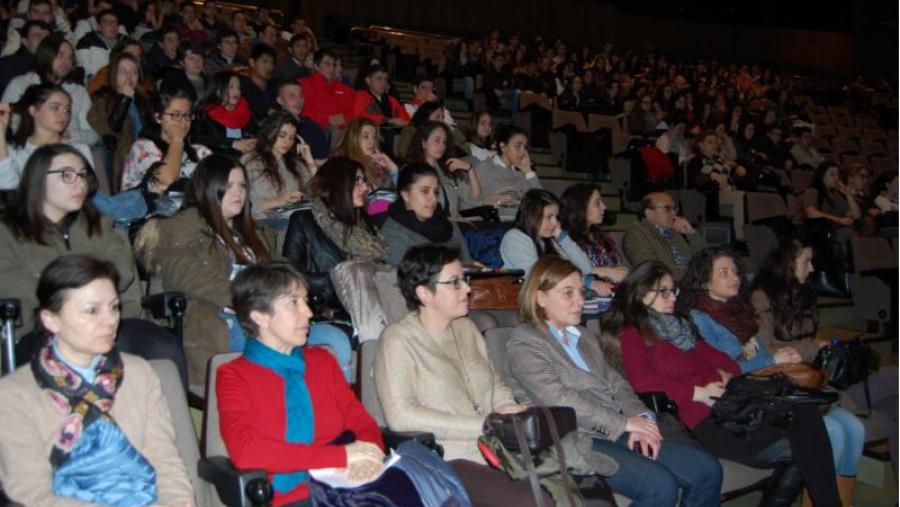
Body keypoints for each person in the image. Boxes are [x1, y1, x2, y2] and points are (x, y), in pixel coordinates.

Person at [604, 261, 840, 507]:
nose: (672, 296)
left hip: (731, 407)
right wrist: (696, 391)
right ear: (641, 295)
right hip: (701, 421)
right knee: (805, 447)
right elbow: (641, 383)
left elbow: (730, 365)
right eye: (663, 291)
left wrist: (720, 374)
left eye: (673, 290)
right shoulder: (634, 333)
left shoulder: (681, 329)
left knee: (805, 413)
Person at [506, 256, 723, 506]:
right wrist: (623, 423)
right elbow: (559, 399)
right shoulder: (525, 342)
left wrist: (641, 419)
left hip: (616, 429)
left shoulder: (584, 336)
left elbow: (618, 384)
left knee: (706, 470)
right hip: (575, 438)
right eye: (568, 293)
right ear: (540, 298)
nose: (580, 301)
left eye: (581, 292)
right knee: (660, 487)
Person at [136, 154, 351, 387]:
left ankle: (334, 418)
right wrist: (252, 300)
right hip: (221, 322)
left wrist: (290, 298)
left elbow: (285, 273)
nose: (238, 192)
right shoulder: (180, 230)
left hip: (273, 317)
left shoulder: (255, 233)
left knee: (334, 340)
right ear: (208, 188)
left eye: (242, 185)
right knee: (279, 349)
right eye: (228, 186)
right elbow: (189, 279)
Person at [0, 255, 193, 506]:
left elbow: (164, 461)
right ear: (50, 320)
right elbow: (32, 492)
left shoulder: (138, 373)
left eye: (114, 307)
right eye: (92, 311)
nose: (111, 320)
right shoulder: (14, 395)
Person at [681, 246, 866, 502]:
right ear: (704, 281)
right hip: (733, 403)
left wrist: (777, 358)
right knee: (822, 429)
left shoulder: (740, 312)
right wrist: (773, 359)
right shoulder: (698, 318)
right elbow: (722, 370)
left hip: (760, 391)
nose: (734, 277)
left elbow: (754, 358)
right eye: (724, 273)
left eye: (735, 271)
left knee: (830, 420)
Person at [375, 245, 551, 506]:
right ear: (424, 293)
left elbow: (494, 385)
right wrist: (484, 425)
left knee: (578, 485)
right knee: (535, 500)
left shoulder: (467, 328)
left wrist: (506, 407)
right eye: (454, 283)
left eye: (464, 280)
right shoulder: (398, 339)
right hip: (445, 458)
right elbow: (401, 416)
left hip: (497, 448)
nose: (467, 289)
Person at [217, 262, 391, 506]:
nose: (308, 312)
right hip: (289, 497)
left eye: (305, 301)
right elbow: (247, 452)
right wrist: (340, 456)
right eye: (294, 303)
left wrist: (368, 455)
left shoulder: (322, 361)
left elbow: (361, 420)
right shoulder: (234, 375)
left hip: (346, 485)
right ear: (260, 316)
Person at [749, 237, 898, 472]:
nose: (812, 268)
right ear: (787, 263)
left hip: (826, 377)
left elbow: (802, 345)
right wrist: (814, 346)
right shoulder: (762, 297)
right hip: (803, 386)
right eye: (806, 261)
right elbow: (767, 352)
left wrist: (818, 347)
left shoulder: (801, 295)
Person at [0, 143, 139, 333]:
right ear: (39, 180)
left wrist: (60, 283)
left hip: (108, 324)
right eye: (67, 175)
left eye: (82, 175)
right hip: (41, 330)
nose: (80, 183)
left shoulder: (97, 223)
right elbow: (11, 286)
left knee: (164, 347)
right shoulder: (8, 232)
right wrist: (83, 293)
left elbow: (123, 270)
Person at [282, 157, 387, 316]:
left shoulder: (364, 222)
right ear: (338, 184)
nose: (365, 187)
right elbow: (290, 275)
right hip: (327, 310)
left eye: (364, 181)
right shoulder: (304, 220)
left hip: (372, 305)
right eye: (357, 181)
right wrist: (341, 281)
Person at [501, 189, 617, 296]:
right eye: (549, 217)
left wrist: (562, 238)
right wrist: (585, 281)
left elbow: (586, 268)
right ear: (533, 216)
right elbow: (537, 277)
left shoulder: (549, 240)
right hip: (525, 300)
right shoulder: (515, 238)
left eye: (556, 217)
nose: (555, 223)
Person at [2, 34, 99, 146]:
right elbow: (7, 124)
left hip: (69, 150)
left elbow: (94, 134)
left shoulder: (79, 91)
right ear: (47, 54)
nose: (66, 62)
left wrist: (70, 134)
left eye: (70, 57)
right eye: (61, 55)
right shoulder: (20, 84)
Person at [0, 84, 94, 190]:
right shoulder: (15, 151)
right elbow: (7, 188)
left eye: (66, 110)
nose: (63, 115)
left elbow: (86, 190)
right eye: (55, 108)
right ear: (33, 111)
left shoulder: (79, 149)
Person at [121, 89, 211, 193]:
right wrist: (177, 139)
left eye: (188, 115)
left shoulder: (198, 151)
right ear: (158, 117)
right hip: (148, 207)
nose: (184, 121)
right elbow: (168, 179)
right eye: (176, 115)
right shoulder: (142, 147)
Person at [381, 164, 473, 265]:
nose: (433, 198)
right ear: (406, 195)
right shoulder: (392, 233)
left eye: (436, 192)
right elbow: (406, 276)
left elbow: (468, 262)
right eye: (425, 191)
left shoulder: (447, 224)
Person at [87, 52, 148, 192]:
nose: (129, 76)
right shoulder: (103, 99)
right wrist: (124, 99)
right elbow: (111, 128)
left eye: (134, 72)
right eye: (122, 71)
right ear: (113, 75)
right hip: (123, 158)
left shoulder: (145, 100)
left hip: (147, 155)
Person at [241, 111, 317, 218]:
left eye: (291, 138)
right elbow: (247, 206)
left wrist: (310, 161)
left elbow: (317, 193)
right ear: (270, 132)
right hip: (264, 221)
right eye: (282, 135)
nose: (287, 142)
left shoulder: (294, 163)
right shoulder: (251, 161)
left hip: (292, 218)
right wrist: (279, 201)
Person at [406, 120, 483, 220]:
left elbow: (475, 197)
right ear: (424, 143)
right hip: (433, 227)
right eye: (437, 140)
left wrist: (469, 169)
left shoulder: (446, 169)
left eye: (444, 142)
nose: (442, 146)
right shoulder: (412, 171)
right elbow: (417, 212)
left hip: (455, 225)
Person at [622, 192, 705, 280]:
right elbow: (654, 269)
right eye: (667, 208)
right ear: (649, 213)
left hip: (692, 281)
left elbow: (704, 257)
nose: (673, 213)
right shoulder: (636, 234)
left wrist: (691, 233)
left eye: (674, 209)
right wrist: (694, 277)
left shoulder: (674, 231)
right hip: (670, 285)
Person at [685, 130, 748, 241]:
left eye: (715, 142)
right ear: (701, 145)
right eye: (710, 142)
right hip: (711, 195)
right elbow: (695, 180)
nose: (714, 145)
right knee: (741, 196)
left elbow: (730, 175)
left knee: (747, 196)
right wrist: (711, 176)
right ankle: (740, 237)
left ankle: (746, 234)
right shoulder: (697, 160)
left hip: (727, 192)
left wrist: (738, 167)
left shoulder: (718, 160)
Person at [560, 182, 629, 280]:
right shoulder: (565, 240)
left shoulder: (602, 237)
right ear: (581, 207)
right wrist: (606, 272)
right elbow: (567, 272)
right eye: (597, 203)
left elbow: (617, 266)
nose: (604, 207)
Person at [473, 124, 541, 205]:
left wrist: (528, 171)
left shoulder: (522, 173)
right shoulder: (484, 168)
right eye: (517, 146)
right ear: (503, 146)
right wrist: (490, 199)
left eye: (525, 147)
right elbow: (472, 201)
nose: (522, 151)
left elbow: (540, 200)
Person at [196, 71, 257, 156]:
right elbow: (198, 139)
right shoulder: (205, 113)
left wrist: (252, 143)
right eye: (231, 87)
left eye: (238, 88)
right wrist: (232, 143)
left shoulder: (244, 109)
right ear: (218, 90)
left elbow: (257, 132)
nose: (236, 91)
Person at [333, 117, 398, 192]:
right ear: (353, 138)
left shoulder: (378, 164)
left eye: (375, 137)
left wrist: (393, 169)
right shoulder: (343, 166)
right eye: (366, 137)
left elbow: (397, 195)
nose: (372, 142)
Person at [274, 80, 329, 160]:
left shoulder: (312, 127)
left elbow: (323, 156)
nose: (298, 100)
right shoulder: (273, 126)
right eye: (291, 96)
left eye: (300, 96)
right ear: (280, 100)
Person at [75, 8, 124, 81]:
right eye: (106, 22)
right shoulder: (86, 42)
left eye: (114, 22)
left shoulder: (125, 44)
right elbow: (82, 68)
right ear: (99, 27)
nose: (111, 25)